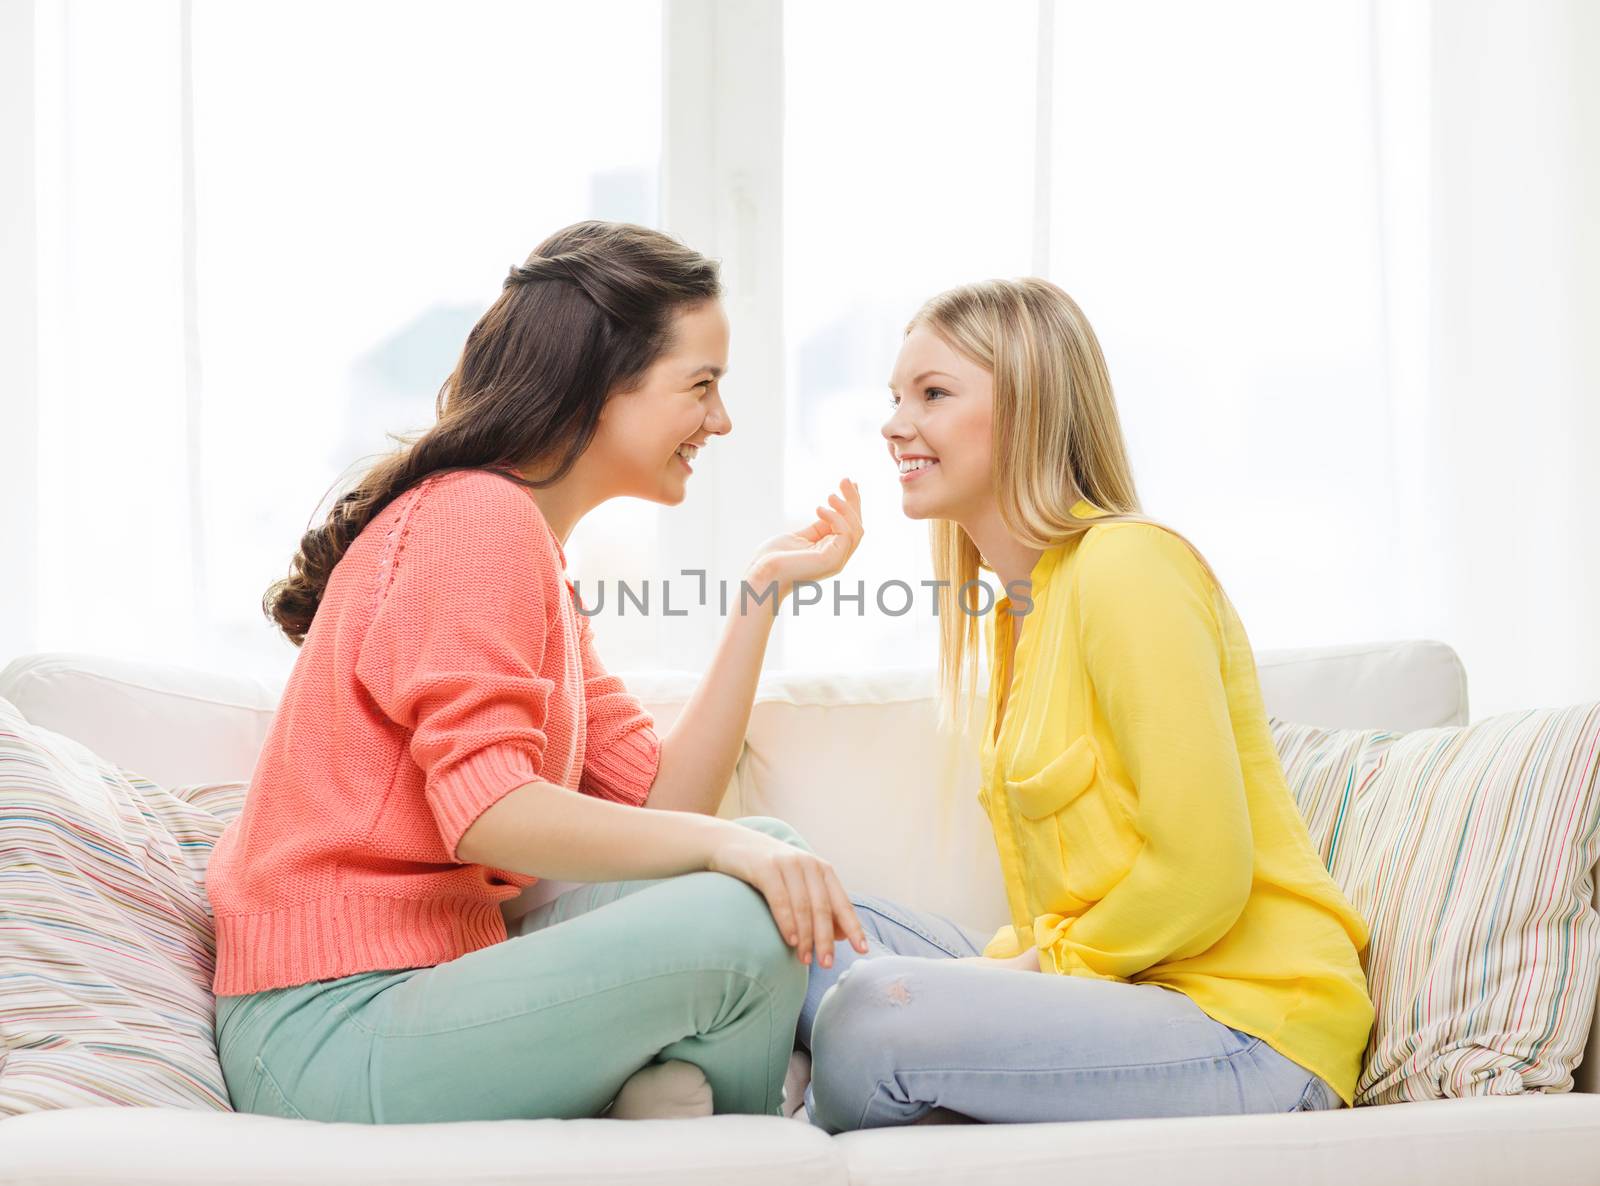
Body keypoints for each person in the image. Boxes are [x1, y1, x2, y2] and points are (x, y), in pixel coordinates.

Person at [207, 220, 869, 1125]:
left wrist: (761, 593)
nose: (721, 420)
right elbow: (492, 817)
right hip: (329, 1027)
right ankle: (740, 1130)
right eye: (702, 385)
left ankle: (686, 1112)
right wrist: (728, 850)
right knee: (744, 906)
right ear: (602, 388)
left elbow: (666, 804)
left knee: (770, 852)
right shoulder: (474, 520)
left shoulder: (529, 549)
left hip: (425, 983)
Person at [795, 277, 1375, 1131]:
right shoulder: (1013, 611)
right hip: (1115, 989)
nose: (892, 425)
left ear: (1029, 408)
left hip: (1247, 1022)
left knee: (872, 1015)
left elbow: (1202, 873)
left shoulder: (1129, 566)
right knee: (781, 925)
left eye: (932, 394)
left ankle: (839, 1092)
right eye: (895, 397)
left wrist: (1023, 973)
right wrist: (1017, 970)